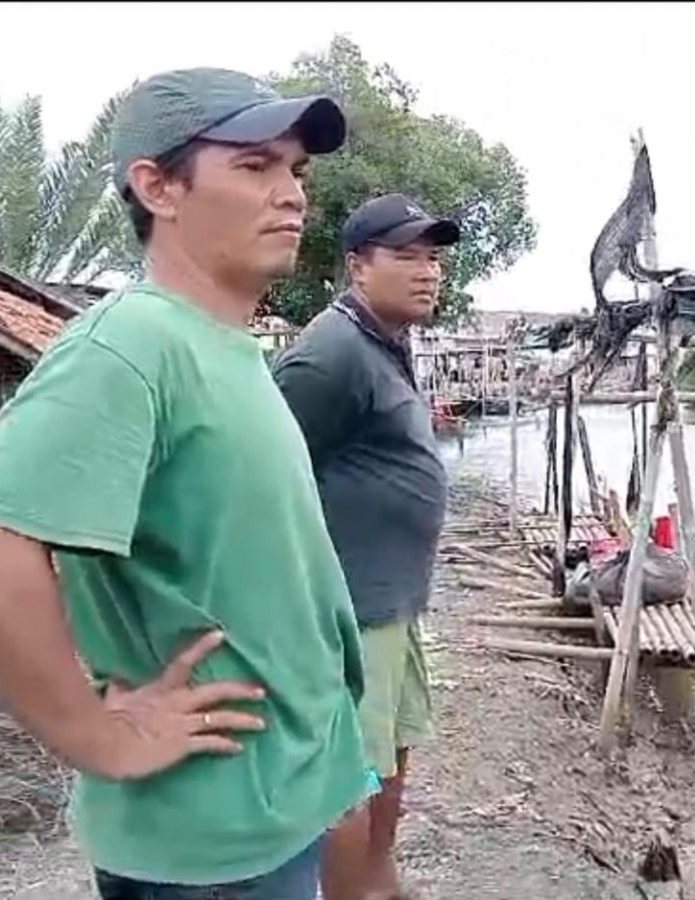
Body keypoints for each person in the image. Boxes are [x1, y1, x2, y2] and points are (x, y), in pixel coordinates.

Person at [0, 68, 372, 897]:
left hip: (272, 807)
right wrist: (93, 735)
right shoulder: (130, 346)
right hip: (208, 845)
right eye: (255, 165)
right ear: (158, 187)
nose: (292, 194)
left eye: (296, 170)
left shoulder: (221, 346)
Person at [270, 193, 459, 900]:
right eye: (405, 255)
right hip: (348, 612)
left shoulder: (384, 341)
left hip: (393, 605)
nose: (428, 271)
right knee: (349, 776)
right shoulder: (329, 356)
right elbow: (264, 480)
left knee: (391, 755)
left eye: (433, 257)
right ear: (357, 266)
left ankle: (381, 884)